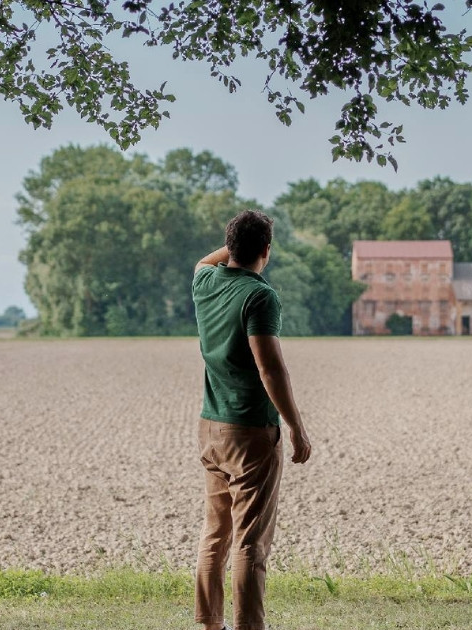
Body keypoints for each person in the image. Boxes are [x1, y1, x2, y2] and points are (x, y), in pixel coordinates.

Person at [191, 209, 312, 630]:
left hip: (211, 427)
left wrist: (238, 244)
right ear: (266, 250)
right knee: (249, 542)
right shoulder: (260, 296)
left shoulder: (206, 282)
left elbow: (205, 261)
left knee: (216, 533)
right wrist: (295, 426)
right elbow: (271, 369)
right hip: (250, 431)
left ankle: (210, 624)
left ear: (231, 247)